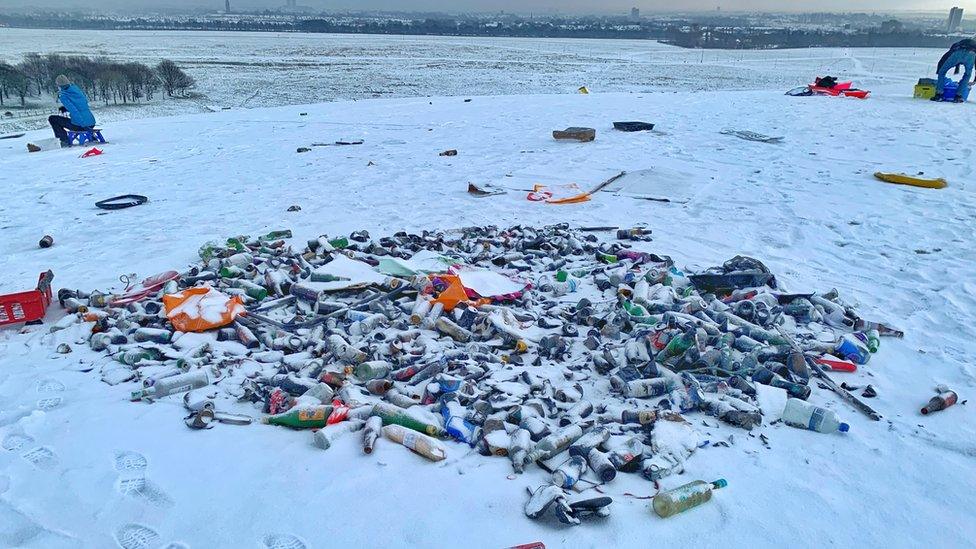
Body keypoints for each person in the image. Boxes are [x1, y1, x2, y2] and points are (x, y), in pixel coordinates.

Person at [49, 74, 96, 147]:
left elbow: (74, 111)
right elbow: (81, 105)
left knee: (52, 119)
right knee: (75, 118)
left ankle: (64, 140)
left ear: (59, 85)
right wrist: (66, 108)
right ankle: (90, 135)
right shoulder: (77, 90)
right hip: (92, 123)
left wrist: (83, 126)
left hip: (81, 125)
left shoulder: (63, 95)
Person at [933, 38, 976, 103]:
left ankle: (939, 95)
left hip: (957, 52)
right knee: (967, 74)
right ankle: (958, 96)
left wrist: (939, 71)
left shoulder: (956, 46)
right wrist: (975, 80)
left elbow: (944, 57)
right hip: (971, 55)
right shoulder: (974, 47)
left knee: (942, 72)